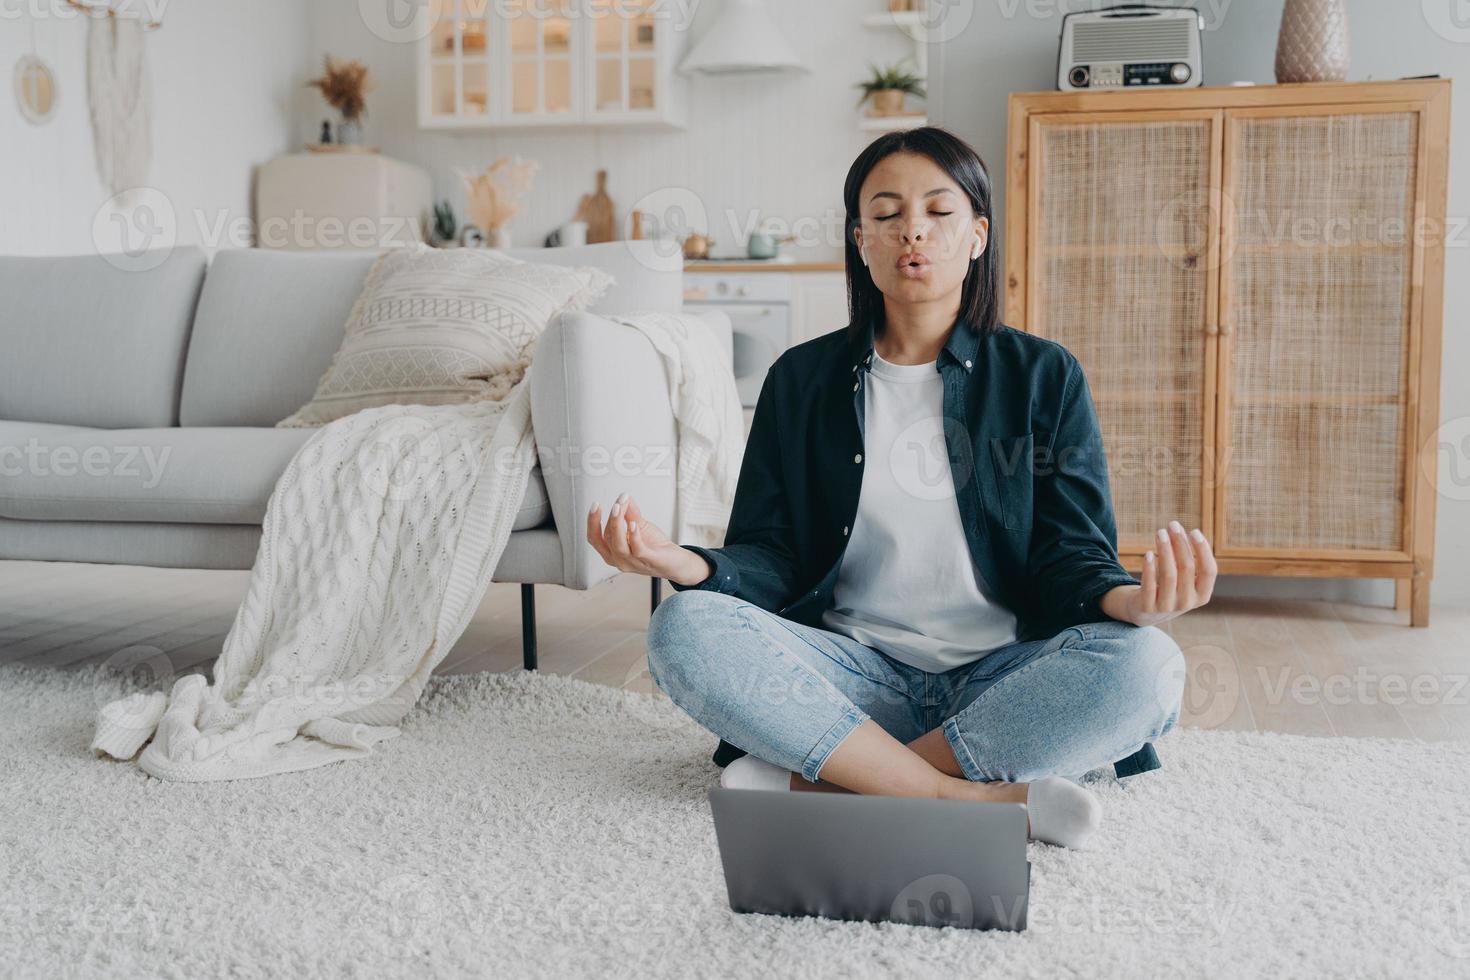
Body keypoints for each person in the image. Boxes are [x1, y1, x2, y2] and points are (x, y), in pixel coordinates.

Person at [586, 127, 1216, 849]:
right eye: (886, 214)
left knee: (1148, 664)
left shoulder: (1043, 376)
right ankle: (968, 797)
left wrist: (1136, 602)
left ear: (977, 235)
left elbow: (1070, 554)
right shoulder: (801, 380)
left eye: (939, 212)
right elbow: (773, 555)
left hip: (998, 681)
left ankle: (823, 785)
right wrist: (686, 565)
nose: (912, 230)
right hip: (850, 680)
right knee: (683, 627)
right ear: (861, 241)